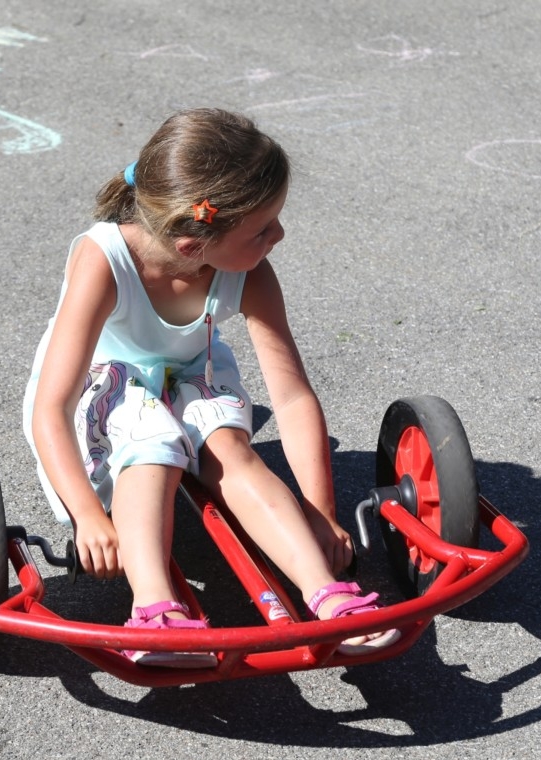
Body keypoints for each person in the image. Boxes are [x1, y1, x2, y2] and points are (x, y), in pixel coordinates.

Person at [23, 108, 399, 667]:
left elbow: (291, 396)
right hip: (103, 385)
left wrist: (321, 511)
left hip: (190, 375)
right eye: (262, 230)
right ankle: (154, 608)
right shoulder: (104, 260)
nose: (279, 236)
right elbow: (51, 408)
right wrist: (88, 516)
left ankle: (325, 590)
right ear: (191, 244)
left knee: (232, 448)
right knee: (149, 442)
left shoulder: (249, 271)